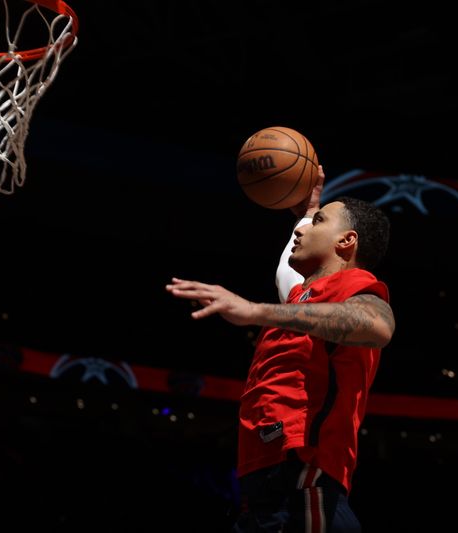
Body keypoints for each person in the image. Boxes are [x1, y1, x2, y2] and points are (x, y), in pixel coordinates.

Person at [166, 164, 394, 532]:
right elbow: (284, 275)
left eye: (318, 223)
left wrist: (254, 311)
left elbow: (378, 325)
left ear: (346, 242)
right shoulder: (300, 297)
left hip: (305, 479)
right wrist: (308, 208)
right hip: (264, 488)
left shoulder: (356, 285)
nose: (303, 230)